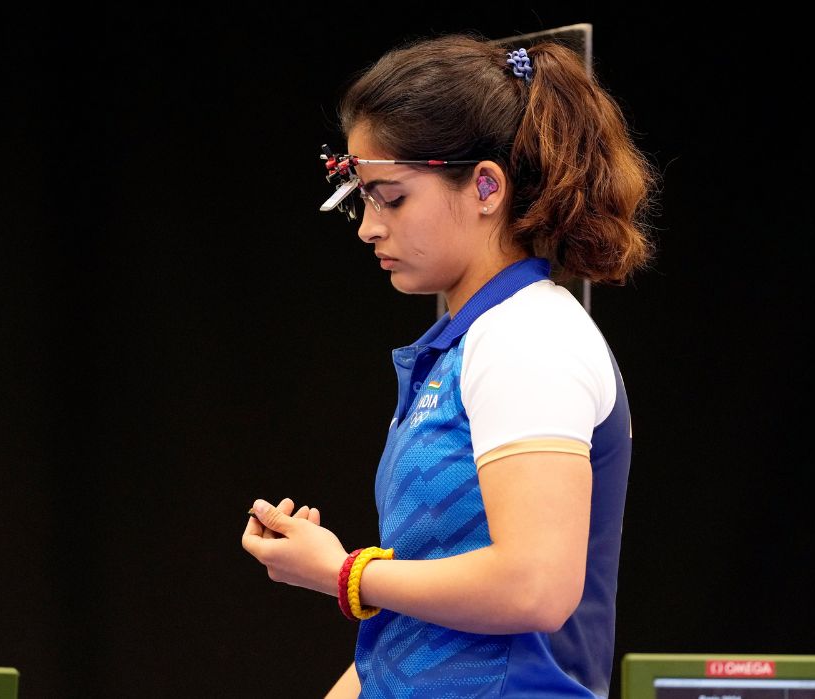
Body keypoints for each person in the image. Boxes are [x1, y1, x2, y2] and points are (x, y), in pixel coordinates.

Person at [241, 31, 655, 698]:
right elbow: (414, 637)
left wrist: (344, 572)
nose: (368, 227)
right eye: (362, 197)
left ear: (486, 185)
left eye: (390, 196)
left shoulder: (531, 336)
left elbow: (535, 587)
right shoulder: (470, 344)